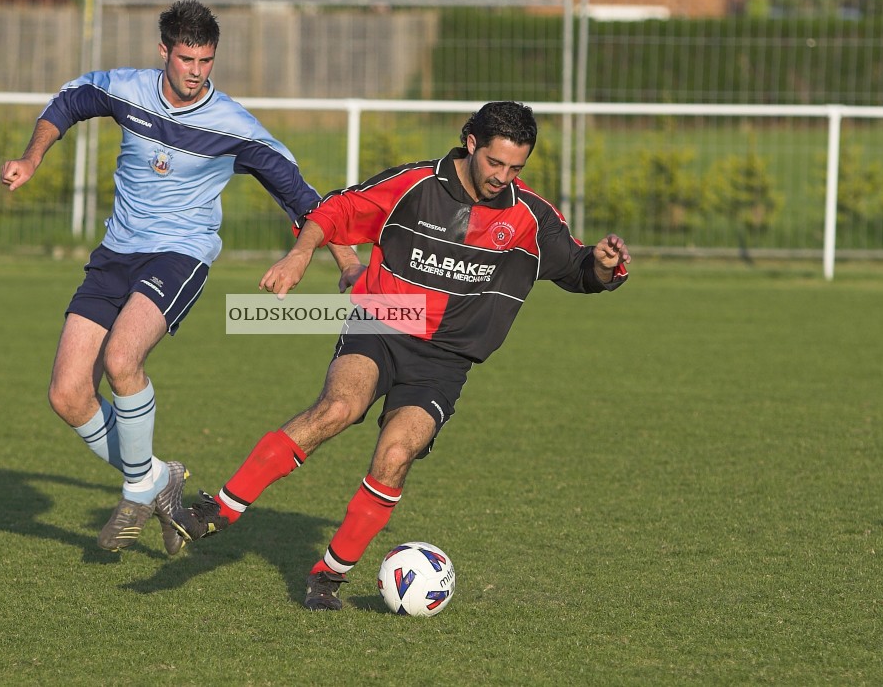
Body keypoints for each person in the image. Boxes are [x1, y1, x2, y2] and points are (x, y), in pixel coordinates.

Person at [170, 100, 630, 609]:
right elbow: (337, 210)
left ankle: (327, 577)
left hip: (446, 360)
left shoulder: (530, 218)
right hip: (383, 324)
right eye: (495, 163)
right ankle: (218, 509)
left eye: (515, 168)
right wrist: (300, 255)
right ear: (471, 142)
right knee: (339, 408)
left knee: (395, 455)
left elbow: (582, 272)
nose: (503, 176)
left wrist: (606, 266)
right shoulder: (414, 186)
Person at [0, 0, 361, 555]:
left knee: (122, 362)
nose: (195, 71)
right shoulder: (128, 90)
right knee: (68, 395)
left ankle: (136, 489)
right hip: (115, 253)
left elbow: (303, 197)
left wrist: (348, 263)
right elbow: (68, 101)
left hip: (180, 255)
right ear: (163, 51)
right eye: (186, 58)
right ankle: (156, 480)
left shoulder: (234, 126)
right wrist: (32, 157)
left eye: (206, 60)